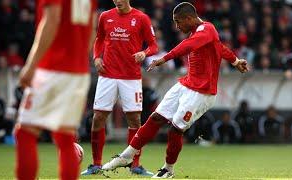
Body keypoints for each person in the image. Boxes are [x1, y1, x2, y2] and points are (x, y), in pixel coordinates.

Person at [101, 2, 249, 178]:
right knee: (156, 117)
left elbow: (187, 46)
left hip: (202, 92)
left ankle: (168, 169)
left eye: (179, 22)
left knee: (176, 128)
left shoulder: (206, 29)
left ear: (189, 18)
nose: (177, 26)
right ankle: (127, 156)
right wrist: (235, 61)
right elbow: (220, 48)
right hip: (186, 84)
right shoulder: (201, 33)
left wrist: (164, 58)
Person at [14, 0, 97, 179]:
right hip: (78, 71)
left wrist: (31, 65)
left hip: (52, 67)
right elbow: (92, 28)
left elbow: (52, 20)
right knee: (65, 139)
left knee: (25, 133)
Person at [81, 0, 158, 176]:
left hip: (131, 78)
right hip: (107, 75)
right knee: (98, 117)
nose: (117, 1)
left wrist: (144, 53)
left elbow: (154, 46)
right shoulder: (105, 16)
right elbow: (99, 39)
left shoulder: (141, 18)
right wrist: (96, 57)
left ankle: (135, 165)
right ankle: (96, 164)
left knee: (134, 121)